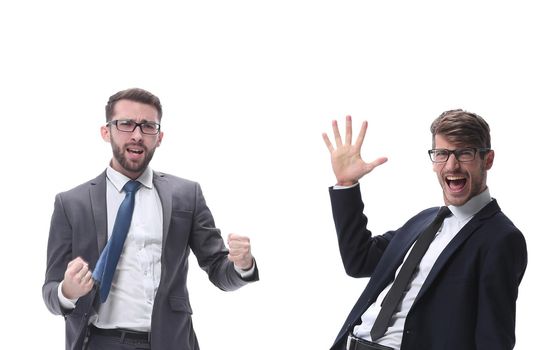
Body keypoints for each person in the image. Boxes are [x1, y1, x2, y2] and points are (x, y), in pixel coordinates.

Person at [43, 88, 259, 350]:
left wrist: (242, 266)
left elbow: (217, 267)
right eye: (126, 124)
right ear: (106, 131)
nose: (137, 135)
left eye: (148, 126)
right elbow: (51, 291)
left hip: (173, 341)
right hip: (101, 342)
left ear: (159, 137)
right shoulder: (70, 203)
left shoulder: (186, 195)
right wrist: (67, 291)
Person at [322, 111, 527, 350]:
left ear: (487, 160)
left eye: (464, 153)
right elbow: (359, 260)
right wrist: (347, 185)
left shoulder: (501, 238)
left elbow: (493, 339)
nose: (452, 165)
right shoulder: (425, 220)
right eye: (442, 154)